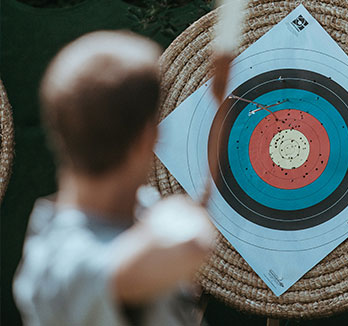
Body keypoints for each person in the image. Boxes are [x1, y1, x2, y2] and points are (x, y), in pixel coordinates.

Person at [13, 30, 216, 326]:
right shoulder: (62, 262)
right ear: (148, 139)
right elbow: (185, 244)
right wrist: (187, 218)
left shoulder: (139, 209)